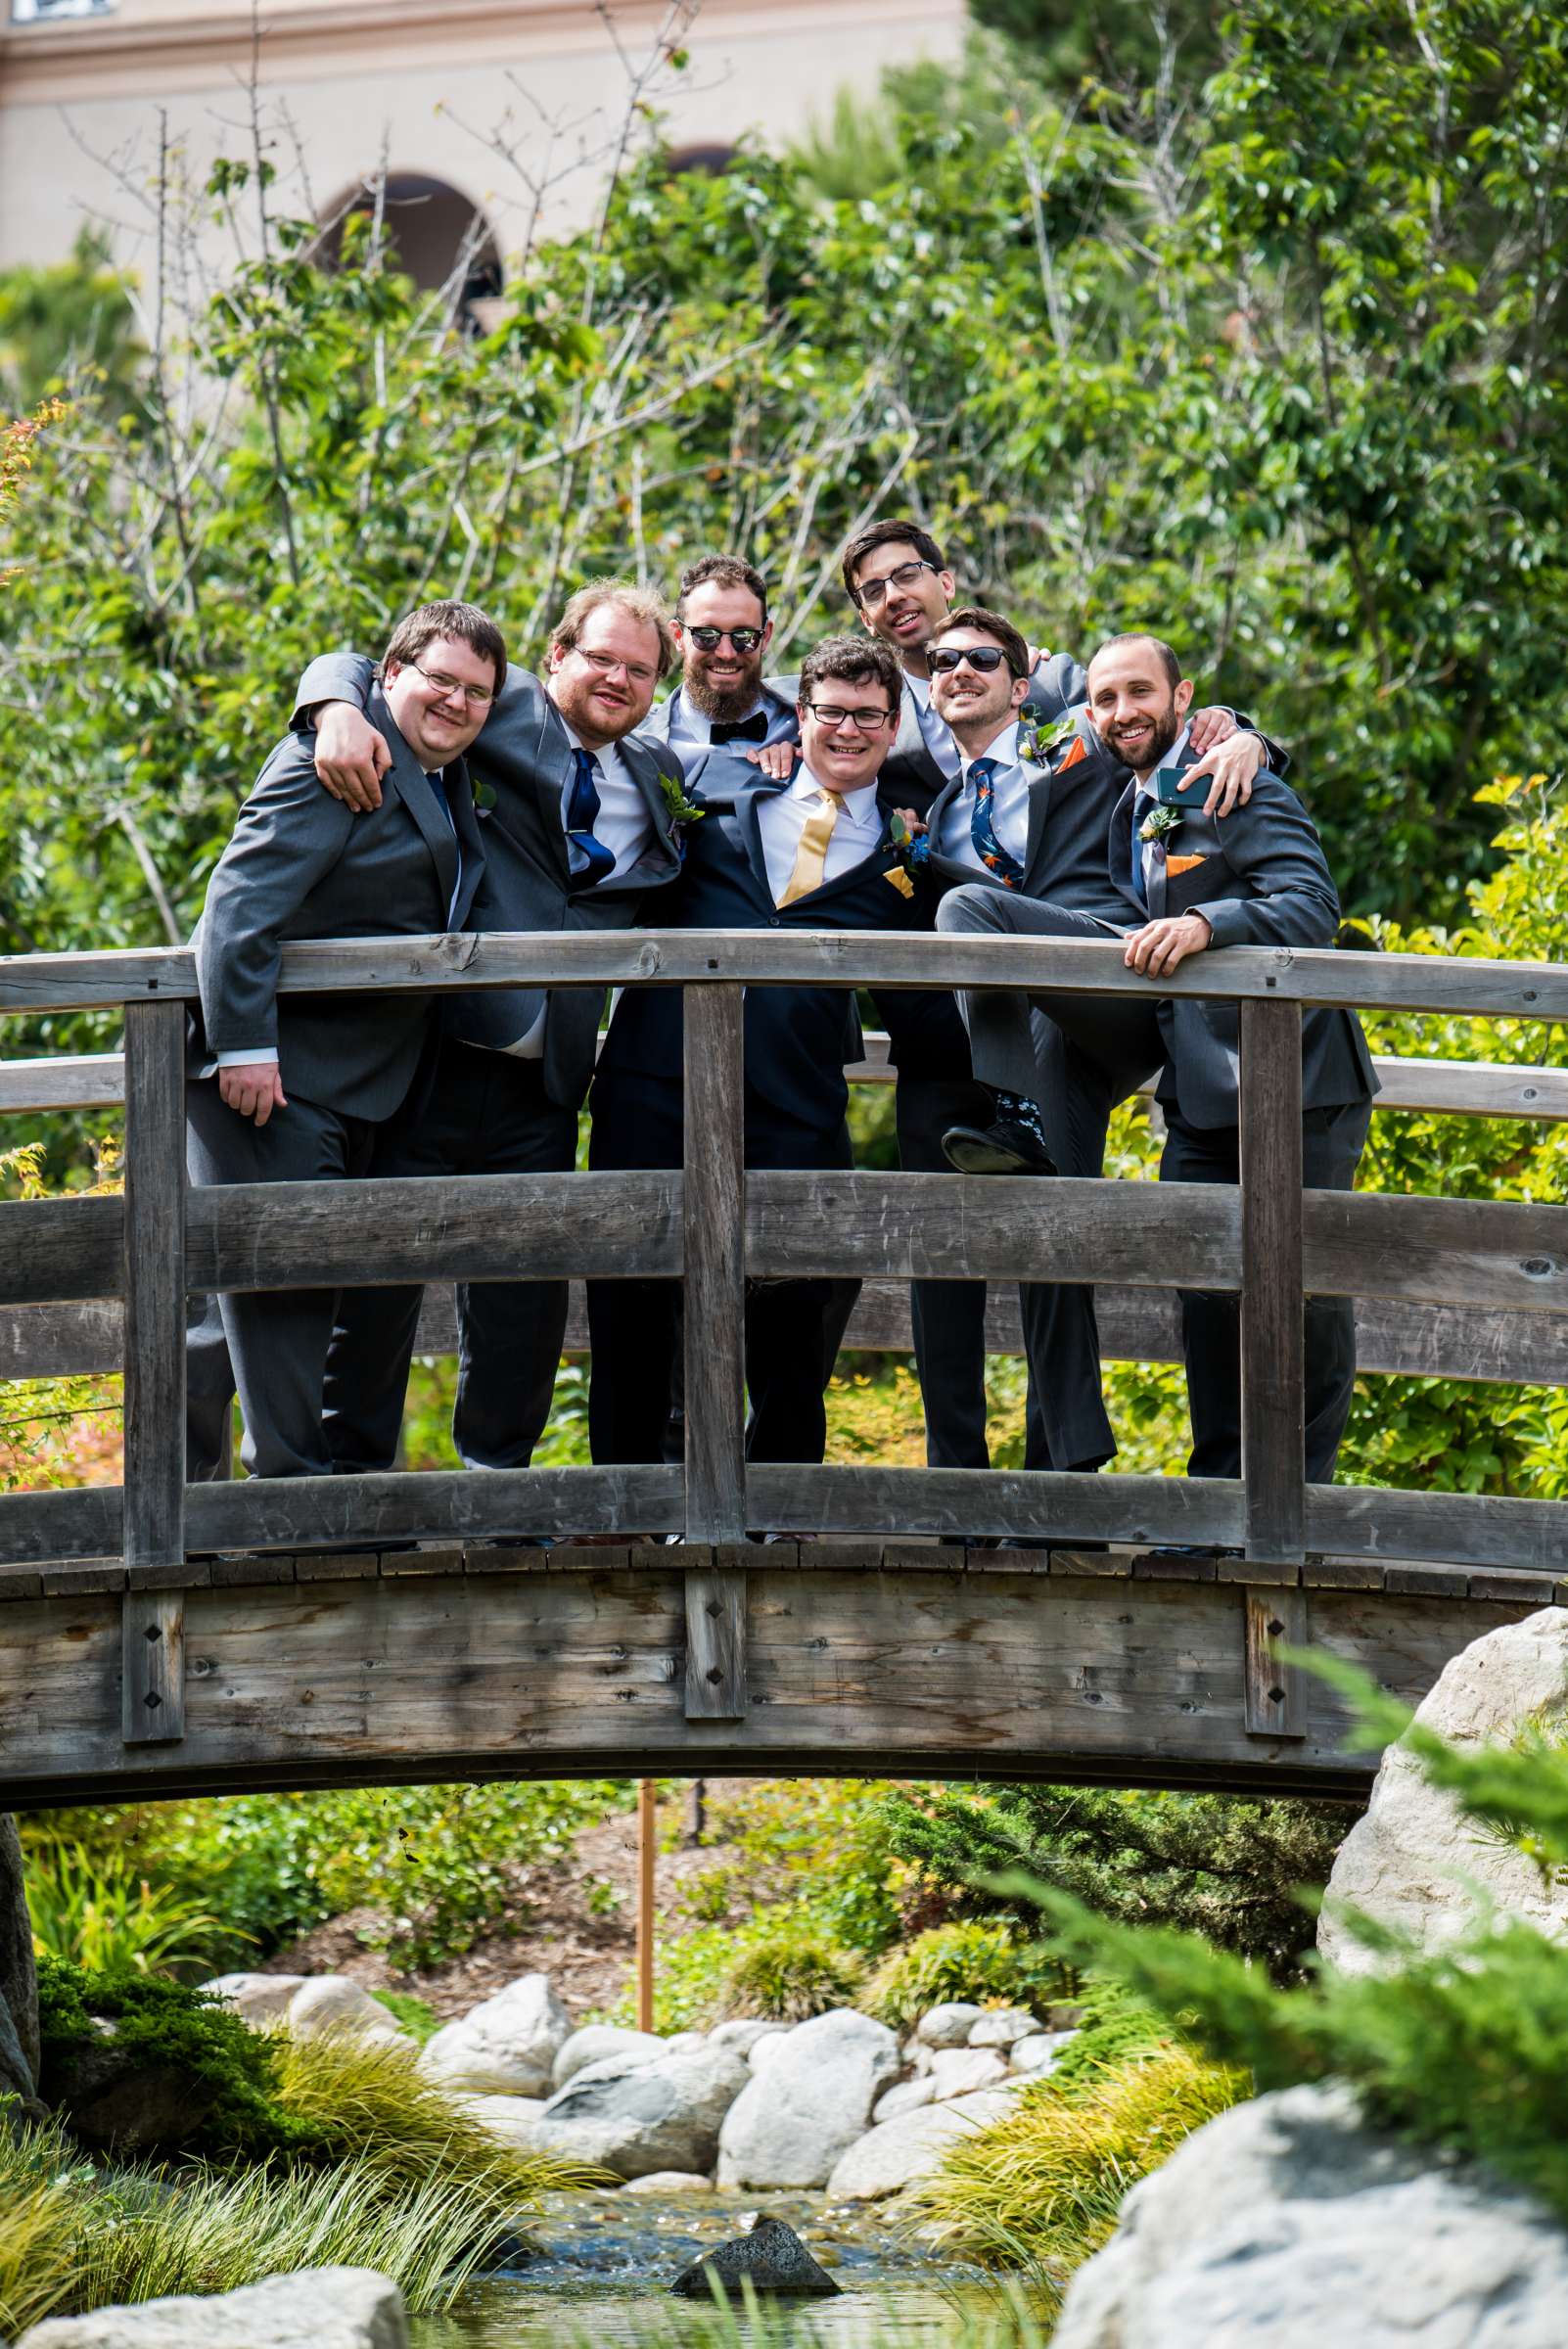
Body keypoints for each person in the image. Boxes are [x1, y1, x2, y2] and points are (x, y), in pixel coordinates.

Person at [942, 629, 1377, 1486]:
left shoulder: (1234, 783)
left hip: (1300, 1081)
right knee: (1205, 1298)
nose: (1120, 712)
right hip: (1199, 1089)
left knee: (1309, 1298)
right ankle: (1219, 1498)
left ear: (1183, 701)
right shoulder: (1124, 807)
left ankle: (1307, 1502)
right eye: (1104, 699)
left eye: (1140, 693)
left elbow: (1310, 906)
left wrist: (1209, 924)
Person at [285, 580, 688, 1481]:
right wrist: (328, 708)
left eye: (640, 668)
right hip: (432, 1053)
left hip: (549, 1083)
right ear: (555, 658)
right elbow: (372, 662)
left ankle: (496, 1488)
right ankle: (348, 1490)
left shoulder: (658, 776)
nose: (618, 679)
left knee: (523, 1299)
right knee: (377, 1284)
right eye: (601, 658)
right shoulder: (494, 707)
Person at [586, 634, 927, 1470]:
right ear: (798, 714)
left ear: (893, 729)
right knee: (631, 1305)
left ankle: (779, 1504)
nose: (847, 731)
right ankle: (632, 1500)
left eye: (868, 717)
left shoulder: (909, 845)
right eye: (831, 712)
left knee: (801, 1308)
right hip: (654, 1082)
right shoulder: (712, 789)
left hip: (797, 1099)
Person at [186, 599, 496, 1479]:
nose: (458, 701)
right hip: (273, 1076)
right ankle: (288, 1507)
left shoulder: (446, 766)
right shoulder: (333, 760)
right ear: (389, 677)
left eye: (477, 690)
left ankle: (215, 1507)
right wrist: (244, 1044)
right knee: (275, 1293)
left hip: (368, 1080)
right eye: (439, 679)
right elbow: (239, 905)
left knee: (237, 1306)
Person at [638, 553, 800, 764]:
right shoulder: (635, 739)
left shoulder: (813, 718)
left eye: (744, 636)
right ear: (678, 636)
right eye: (706, 635)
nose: (726, 653)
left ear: (766, 636)